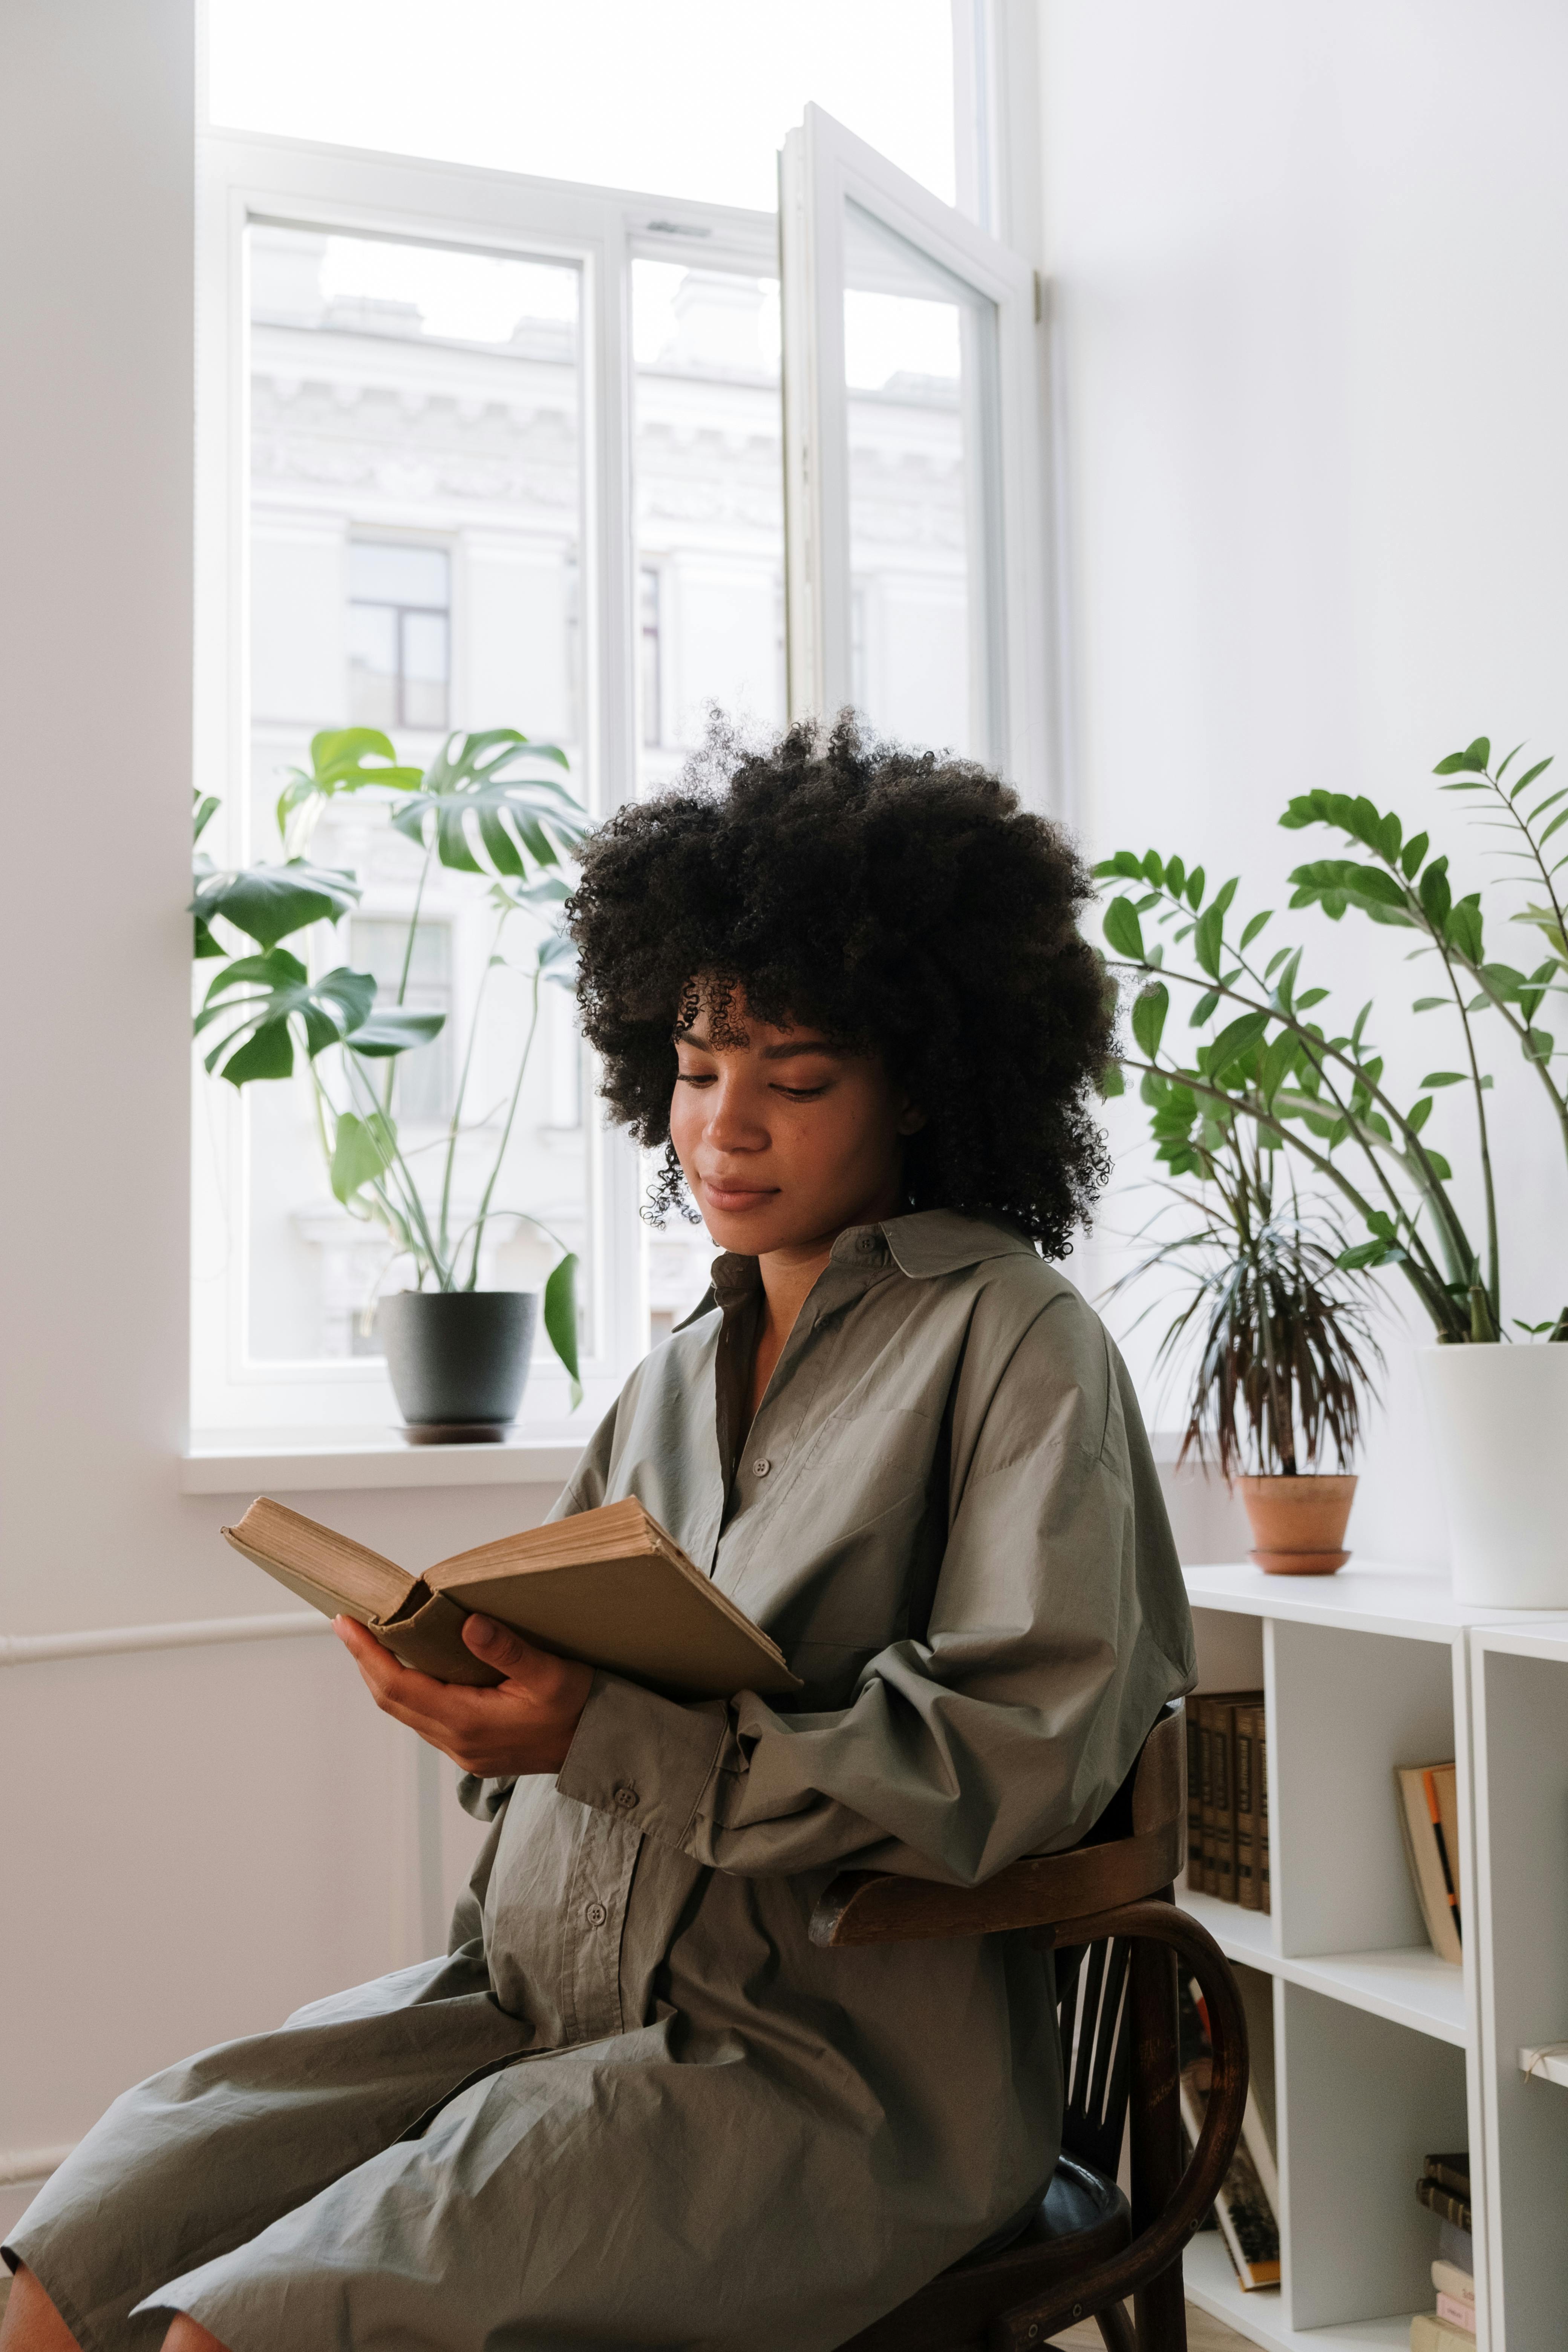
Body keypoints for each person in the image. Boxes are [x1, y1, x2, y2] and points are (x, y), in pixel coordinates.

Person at [2, 718, 1195, 2352]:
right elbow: (573, 1696)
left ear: (923, 1082)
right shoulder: (673, 1371)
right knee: (69, 2258)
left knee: (243, 2331)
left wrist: (613, 1735)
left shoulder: (1015, 1341)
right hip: (523, 2005)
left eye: (796, 1078)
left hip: (818, 2069)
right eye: (698, 1073)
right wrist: (481, 1698)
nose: (724, 1130)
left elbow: (1021, 1749)